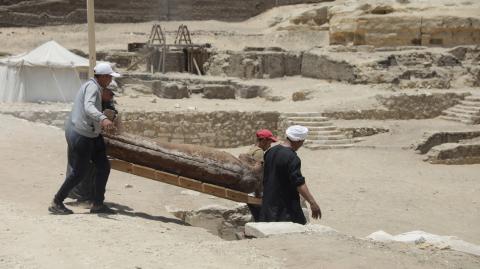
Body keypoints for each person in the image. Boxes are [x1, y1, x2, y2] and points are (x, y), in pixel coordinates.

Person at [48, 62, 120, 215]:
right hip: (81, 134)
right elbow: (88, 107)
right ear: (103, 77)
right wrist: (103, 119)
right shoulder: (92, 87)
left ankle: (98, 203)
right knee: (79, 172)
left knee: (103, 167)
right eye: (109, 77)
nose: (110, 81)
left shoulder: (97, 88)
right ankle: (57, 201)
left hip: (92, 135)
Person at [258, 125, 321, 225]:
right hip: (285, 211)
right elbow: (299, 183)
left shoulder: (270, 152)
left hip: (268, 207)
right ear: (298, 141)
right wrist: (313, 203)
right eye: (302, 142)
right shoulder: (292, 158)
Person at [67, 84, 118, 203]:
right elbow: (87, 115)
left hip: (90, 133)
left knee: (96, 166)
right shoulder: (92, 98)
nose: (111, 97)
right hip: (78, 131)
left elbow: (112, 114)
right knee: (82, 165)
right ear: (103, 91)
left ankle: (90, 197)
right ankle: (79, 197)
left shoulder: (107, 102)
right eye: (110, 94)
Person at [242, 129, 278, 221]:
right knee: (262, 217)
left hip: (249, 189)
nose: (270, 145)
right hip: (255, 191)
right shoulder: (259, 152)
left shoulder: (252, 149)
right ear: (263, 140)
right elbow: (257, 173)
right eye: (269, 142)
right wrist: (258, 193)